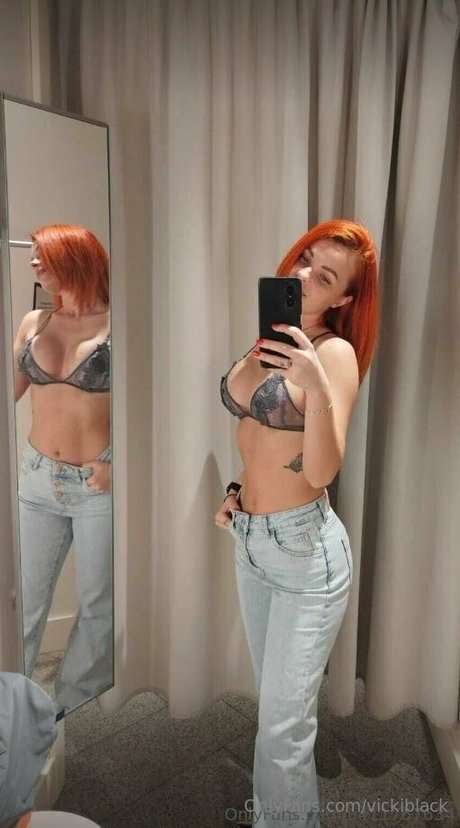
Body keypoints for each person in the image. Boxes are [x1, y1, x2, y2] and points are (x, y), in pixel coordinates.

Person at [216, 219, 379, 828]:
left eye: (325, 276)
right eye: (306, 259)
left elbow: (319, 471)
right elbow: (254, 433)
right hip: (253, 542)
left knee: (283, 730)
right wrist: (238, 491)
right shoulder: (270, 338)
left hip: (306, 555)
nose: (305, 275)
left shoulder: (333, 354)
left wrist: (315, 384)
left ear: (343, 299)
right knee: (274, 717)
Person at [13, 223, 112, 713]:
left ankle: (65, 708)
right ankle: (10, 706)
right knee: (21, 602)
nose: (34, 262)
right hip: (36, 480)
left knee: (98, 605)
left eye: (43, 253)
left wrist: (118, 465)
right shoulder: (35, 321)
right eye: (32, 254)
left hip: (98, 485)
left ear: (76, 257)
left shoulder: (118, 323)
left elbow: (151, 406)